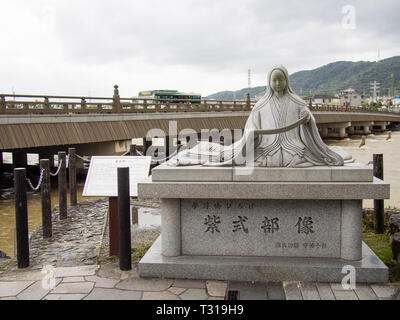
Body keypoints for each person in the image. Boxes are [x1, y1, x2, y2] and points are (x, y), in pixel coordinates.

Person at [167, 65, 348, 167]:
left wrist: (308, 120)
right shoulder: (261, 104)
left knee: (312, 158)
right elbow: (251, 127)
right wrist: (252, 135)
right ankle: (200, 150)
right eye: (274, 80)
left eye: (281, 79)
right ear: (269, 82)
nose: (278, 83)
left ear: (287, 80)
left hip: (294, 149)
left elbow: (309, 129)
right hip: (265, 148)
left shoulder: (298, 103)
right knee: (223, 153)